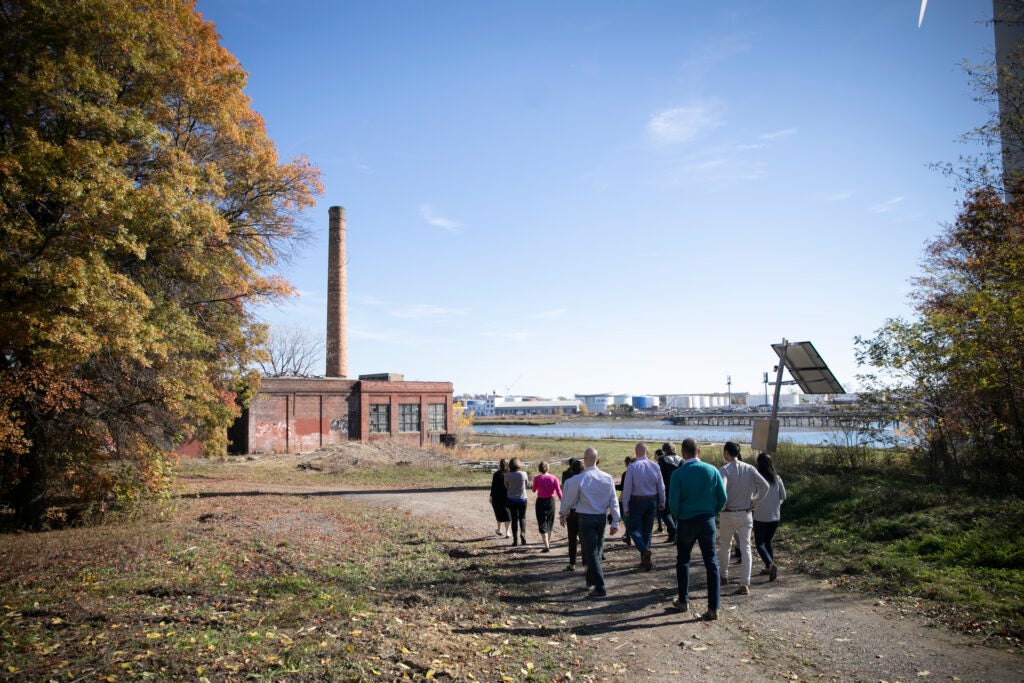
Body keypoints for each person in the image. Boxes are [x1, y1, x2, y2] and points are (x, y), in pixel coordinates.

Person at [668, 438, 727, 620]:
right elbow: (722, 497)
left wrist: (678, 516)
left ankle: (683, 600)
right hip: (707, 520)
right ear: (699, 451)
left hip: (686, 520)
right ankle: (713, 607)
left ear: (683, 453)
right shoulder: (712, 470)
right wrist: (713, 512)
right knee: (711, 562)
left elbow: (673, 502)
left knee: (683, 560)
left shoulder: (678, 474)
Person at [559, 447, 620, 599]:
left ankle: (600, 587)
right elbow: (614, 500)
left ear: (585, 460)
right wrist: (615, 521)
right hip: (601, 518)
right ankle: (591, 580)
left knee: (591, 552)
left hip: (586, 518)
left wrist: (564, 513)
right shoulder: (607, 478)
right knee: (597, 551)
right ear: (597, 459)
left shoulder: (578, 479)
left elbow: (569, 499)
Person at [718, 441, 769, 596]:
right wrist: (755, 501)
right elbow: (765, 486)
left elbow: (722, 489)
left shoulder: (724, 470)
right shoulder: (750, 468)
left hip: (728, 512)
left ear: (726, 453)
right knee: (746, 547)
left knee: (725, 545)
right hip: (745, 512)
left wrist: (721, 505)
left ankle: (723, 575)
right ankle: (744, 583)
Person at [621, 443, 666, 571]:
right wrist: (662, 501)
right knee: (647, 530)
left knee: (633, 529)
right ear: (647, 452)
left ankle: (644, 550)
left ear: (636, 452)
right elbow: (661, 487)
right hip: (652, 500)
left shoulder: (632, 467)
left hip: (637, 500)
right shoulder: (655, 466)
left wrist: (625, 507)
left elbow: (627, 489)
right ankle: (646, 558)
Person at [752, 452, 786, 582]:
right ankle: (768, 566)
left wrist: (753, 504)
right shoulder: (777, 478)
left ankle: (770, 564)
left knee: (759, 543)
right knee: (768, 541)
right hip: (775, 516)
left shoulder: (757, 479)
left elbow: (753, 495)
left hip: (760, 516)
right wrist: (777, 504)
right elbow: (783, 496)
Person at [531, 461, 562, 552]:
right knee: (550, 522)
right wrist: (562, 501)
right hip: (551, 501)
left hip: (540, 501)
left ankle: (546, 546)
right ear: (548, 468)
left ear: (540, 469)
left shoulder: (537, 478)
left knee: (542, 522)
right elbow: (559, 491)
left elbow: (533, 490)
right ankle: (547, 543)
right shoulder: (554, 478)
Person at [561, 457, 584, 571]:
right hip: (584, 511)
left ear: (571, 469)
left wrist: (563, 514)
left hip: (572, 512)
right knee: (584, 538)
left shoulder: (568, 482)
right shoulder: (586, 479)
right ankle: (586, 564)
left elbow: (565, 499)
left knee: (572, 539)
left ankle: (572, 564)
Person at [656, 443, 682, 542]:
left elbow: (659, 477)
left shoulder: (662, 461)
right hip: (679, 490)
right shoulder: (681, 460)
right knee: (675, 512)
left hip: (666, 489)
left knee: (664, 512)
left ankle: (673, 531)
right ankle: (674, 534)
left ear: (664, 451)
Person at [504, 457, 530, 547]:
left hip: (511, 499)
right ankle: (523, 533)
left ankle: (515, 540)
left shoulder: (507, 475)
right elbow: (527, 484)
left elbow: (506, 486)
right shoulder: (524, 474)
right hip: (522, 498)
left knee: (514, 519)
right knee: (522, 517)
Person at [489, 458, 512, 538]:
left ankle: (503, 530)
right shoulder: (508, 474)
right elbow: (493, 487)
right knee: (504, 514)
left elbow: (493, 487)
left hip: (501, 497)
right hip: (503, 497)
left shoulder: (499, 474)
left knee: (502, 514)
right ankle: (503, 530)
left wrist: (491, 496)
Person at [616, 455, 635, 546]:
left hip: (626, 497)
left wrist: (613, 486)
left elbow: (622, 487)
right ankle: (628, 533)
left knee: (624, 516)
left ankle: (628, 535)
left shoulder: (626, 473)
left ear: (627, 463)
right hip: (635, 497)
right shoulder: (637, 472)